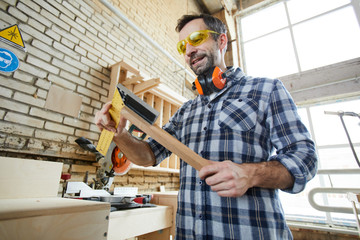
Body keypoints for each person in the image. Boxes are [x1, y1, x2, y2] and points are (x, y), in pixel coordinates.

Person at [95, 14, 318, 240]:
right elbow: (149, 155)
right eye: (183, 46)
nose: (188, 50)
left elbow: (305, 158)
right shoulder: (186, 111)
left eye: (196, 38)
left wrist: (251, 174)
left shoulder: (265, 90)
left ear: (221, 41)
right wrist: (120, 135)